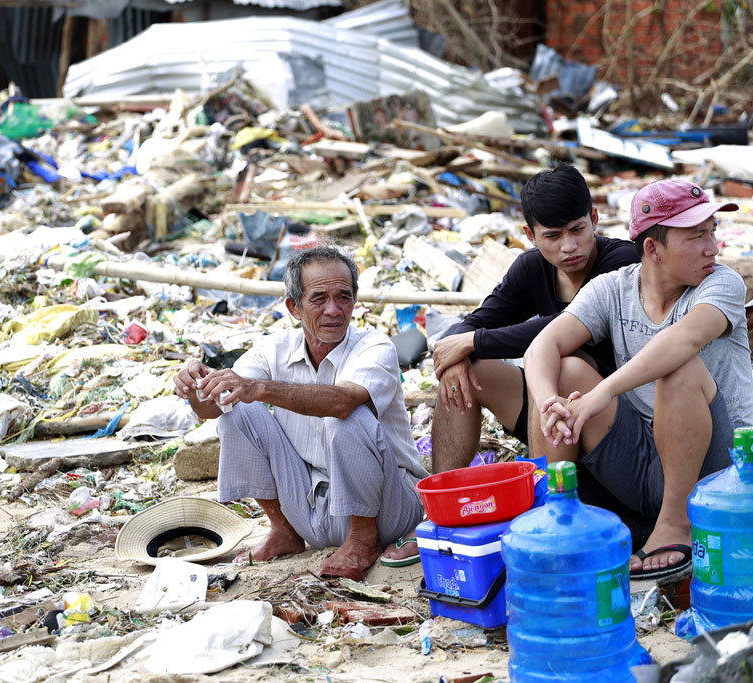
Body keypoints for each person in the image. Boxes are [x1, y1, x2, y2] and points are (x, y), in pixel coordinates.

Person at [383, 163, 639, 566]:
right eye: (552, 236)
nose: (568, 246)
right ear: (530, 236)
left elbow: (566, 325)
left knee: (563, 361)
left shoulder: (622, 261)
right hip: (551, 413)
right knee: (468, 373)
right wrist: (458, 355)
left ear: (594, 219)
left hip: (613, 415)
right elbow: (476, 321)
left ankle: (545, 516)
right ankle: (439, 514)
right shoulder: (530, 267)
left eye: (577, 230)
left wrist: (472, 341)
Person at [524, 178, 752, 580]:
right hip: (650, 466)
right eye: (697, 236)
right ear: (653, 249)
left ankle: (676, 523)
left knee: (679, 366)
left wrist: (602, 393)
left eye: (712, 233)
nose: (712, 248)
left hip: (727, 470)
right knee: (565, 370)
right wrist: (548, 403)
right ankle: (556, 520)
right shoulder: (613, 288)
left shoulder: (722, 283)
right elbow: (541, 346)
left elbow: (686, 339)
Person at [173, 245, 428, 581]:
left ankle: (362, 541)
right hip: (312, 511)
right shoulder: (273, 349)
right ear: (294, 307)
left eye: (344, 297)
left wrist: (261, 389)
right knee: (237, 413)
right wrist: (196, 388)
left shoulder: (375, 346)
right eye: (319, 299)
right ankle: (284, 531)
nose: (334, 310)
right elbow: (214, 406)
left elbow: (342, 402)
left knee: (346, 415)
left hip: (387, 511)